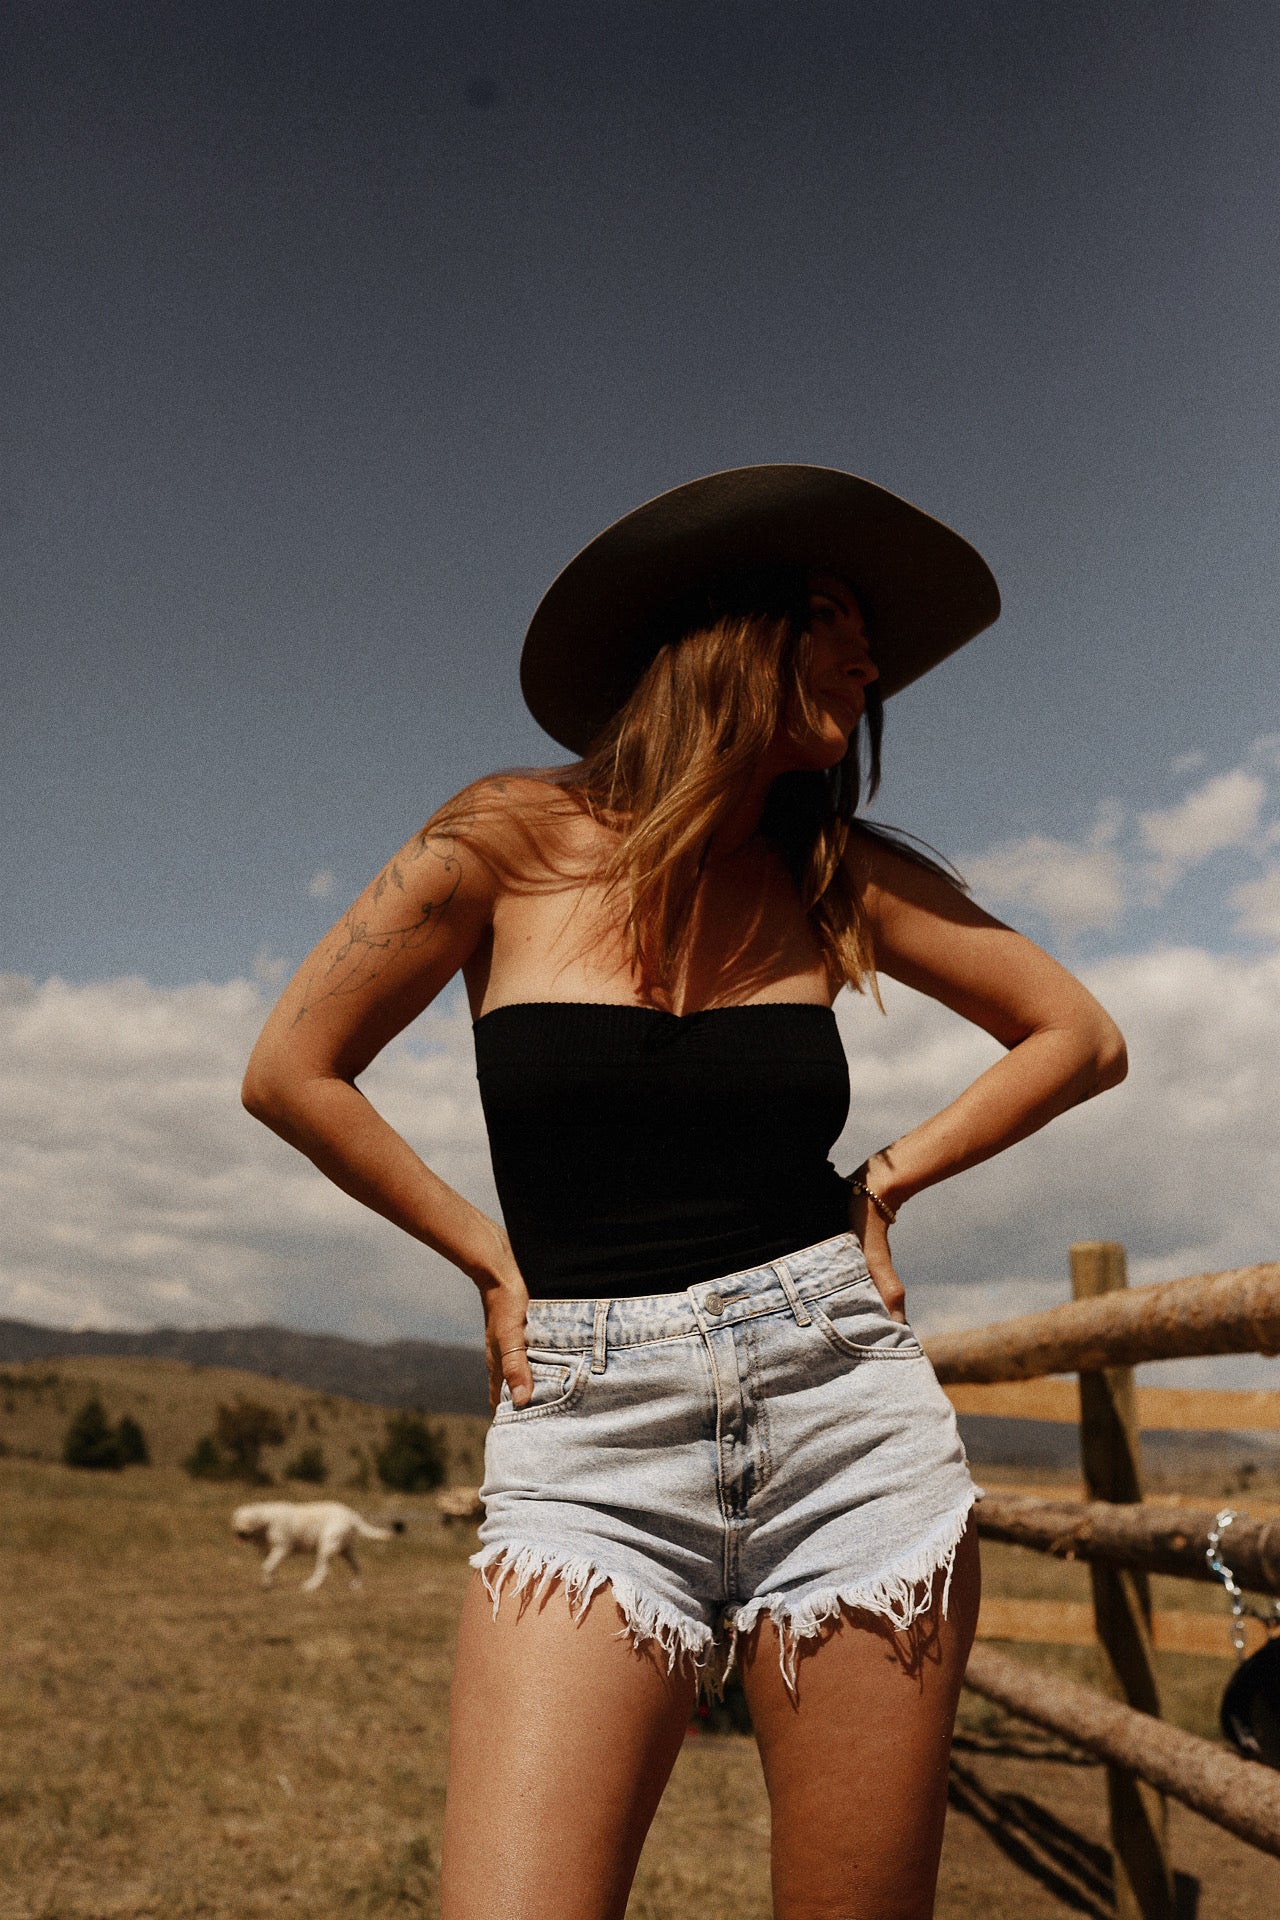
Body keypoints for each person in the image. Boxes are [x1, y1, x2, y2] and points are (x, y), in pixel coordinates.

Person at [242, 465, 1127, 1920]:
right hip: (591, 1435)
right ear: (727, 629)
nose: (871, 664)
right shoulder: (500, 838)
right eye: (836, 619)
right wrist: (488, 1257)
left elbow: (1078, 1036)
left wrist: (884, 1184)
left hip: (844, 1423)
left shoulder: (829, 869)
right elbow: (292, 1069)